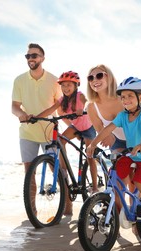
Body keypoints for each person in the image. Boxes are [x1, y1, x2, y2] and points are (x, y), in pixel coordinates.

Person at [86, 77, 141, 230]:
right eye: (123, 97)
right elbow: (107, 129)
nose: (125, 100)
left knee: (139, 181)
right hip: (131, 155)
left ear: (140, 98)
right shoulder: (123, 116)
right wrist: (93, 143)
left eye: (130, 96)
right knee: (117, 173)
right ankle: (120, 208)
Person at [35, 71, 98, 214]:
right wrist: (36, 118)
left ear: (76, 85)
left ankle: (94, 187)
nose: (66, 88)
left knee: (90, 156)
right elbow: (50, 110)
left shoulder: (79, 95)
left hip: (88, 128)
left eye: (69, 85)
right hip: (75, 127)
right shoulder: (62, 100)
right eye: (63, 86)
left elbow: (86, 103)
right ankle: (63, 169)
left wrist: (82, 110)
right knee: (60, 141)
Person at [11, 43, 62, 174]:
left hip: (50, 132)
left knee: (57, 171)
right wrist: (21, 114)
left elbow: (60, 106)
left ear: (42, 58)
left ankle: (66, 195)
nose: (30, 59)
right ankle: (30, 196)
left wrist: (74, 126)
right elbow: (14, 106)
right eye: (27, 56)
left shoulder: (55, 81)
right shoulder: (19, 80)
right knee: (29, 172)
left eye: (34, 55)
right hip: (27, 132)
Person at [85, 64, 126, 152]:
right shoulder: (91, 107)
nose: (94, 80)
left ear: (109, 77)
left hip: (139, 139)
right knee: (118, 163)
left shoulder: (123, 97)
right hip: (117, 141)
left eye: (99, 76)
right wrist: (106, 136)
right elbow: (101, 131)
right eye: (91, 78)